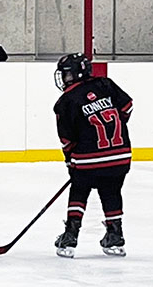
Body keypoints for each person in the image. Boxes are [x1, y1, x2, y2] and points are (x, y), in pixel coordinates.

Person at [52, 53, 133, 258]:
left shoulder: (66, 101)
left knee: (79, 191)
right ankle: (115, 235)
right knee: (112, 191)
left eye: (68, 74)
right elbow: (127, 107)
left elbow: (67, 139)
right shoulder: (105, 84)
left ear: (79, 72)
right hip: (120, 155)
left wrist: (70, 160)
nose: (64, 78)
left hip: (89, 159)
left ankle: (70, 235)